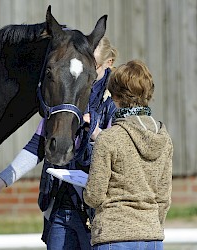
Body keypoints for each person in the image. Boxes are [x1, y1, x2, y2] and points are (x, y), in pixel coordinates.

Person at [0, 37, 118, 249]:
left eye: (94, 67)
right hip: (58, 208)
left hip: (95, 214)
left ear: (108, 64)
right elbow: (37, 145)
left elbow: (121, 153)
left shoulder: (115, 102)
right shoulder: (68, 96)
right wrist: (1, 181)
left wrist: (94, 132)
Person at [83, 60, 173, 250]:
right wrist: (150, 225)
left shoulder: (108, 138)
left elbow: (94, 195)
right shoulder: (164, 139)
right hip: (152, 237)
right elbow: (164, 197)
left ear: (115, 96)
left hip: (113, 235)